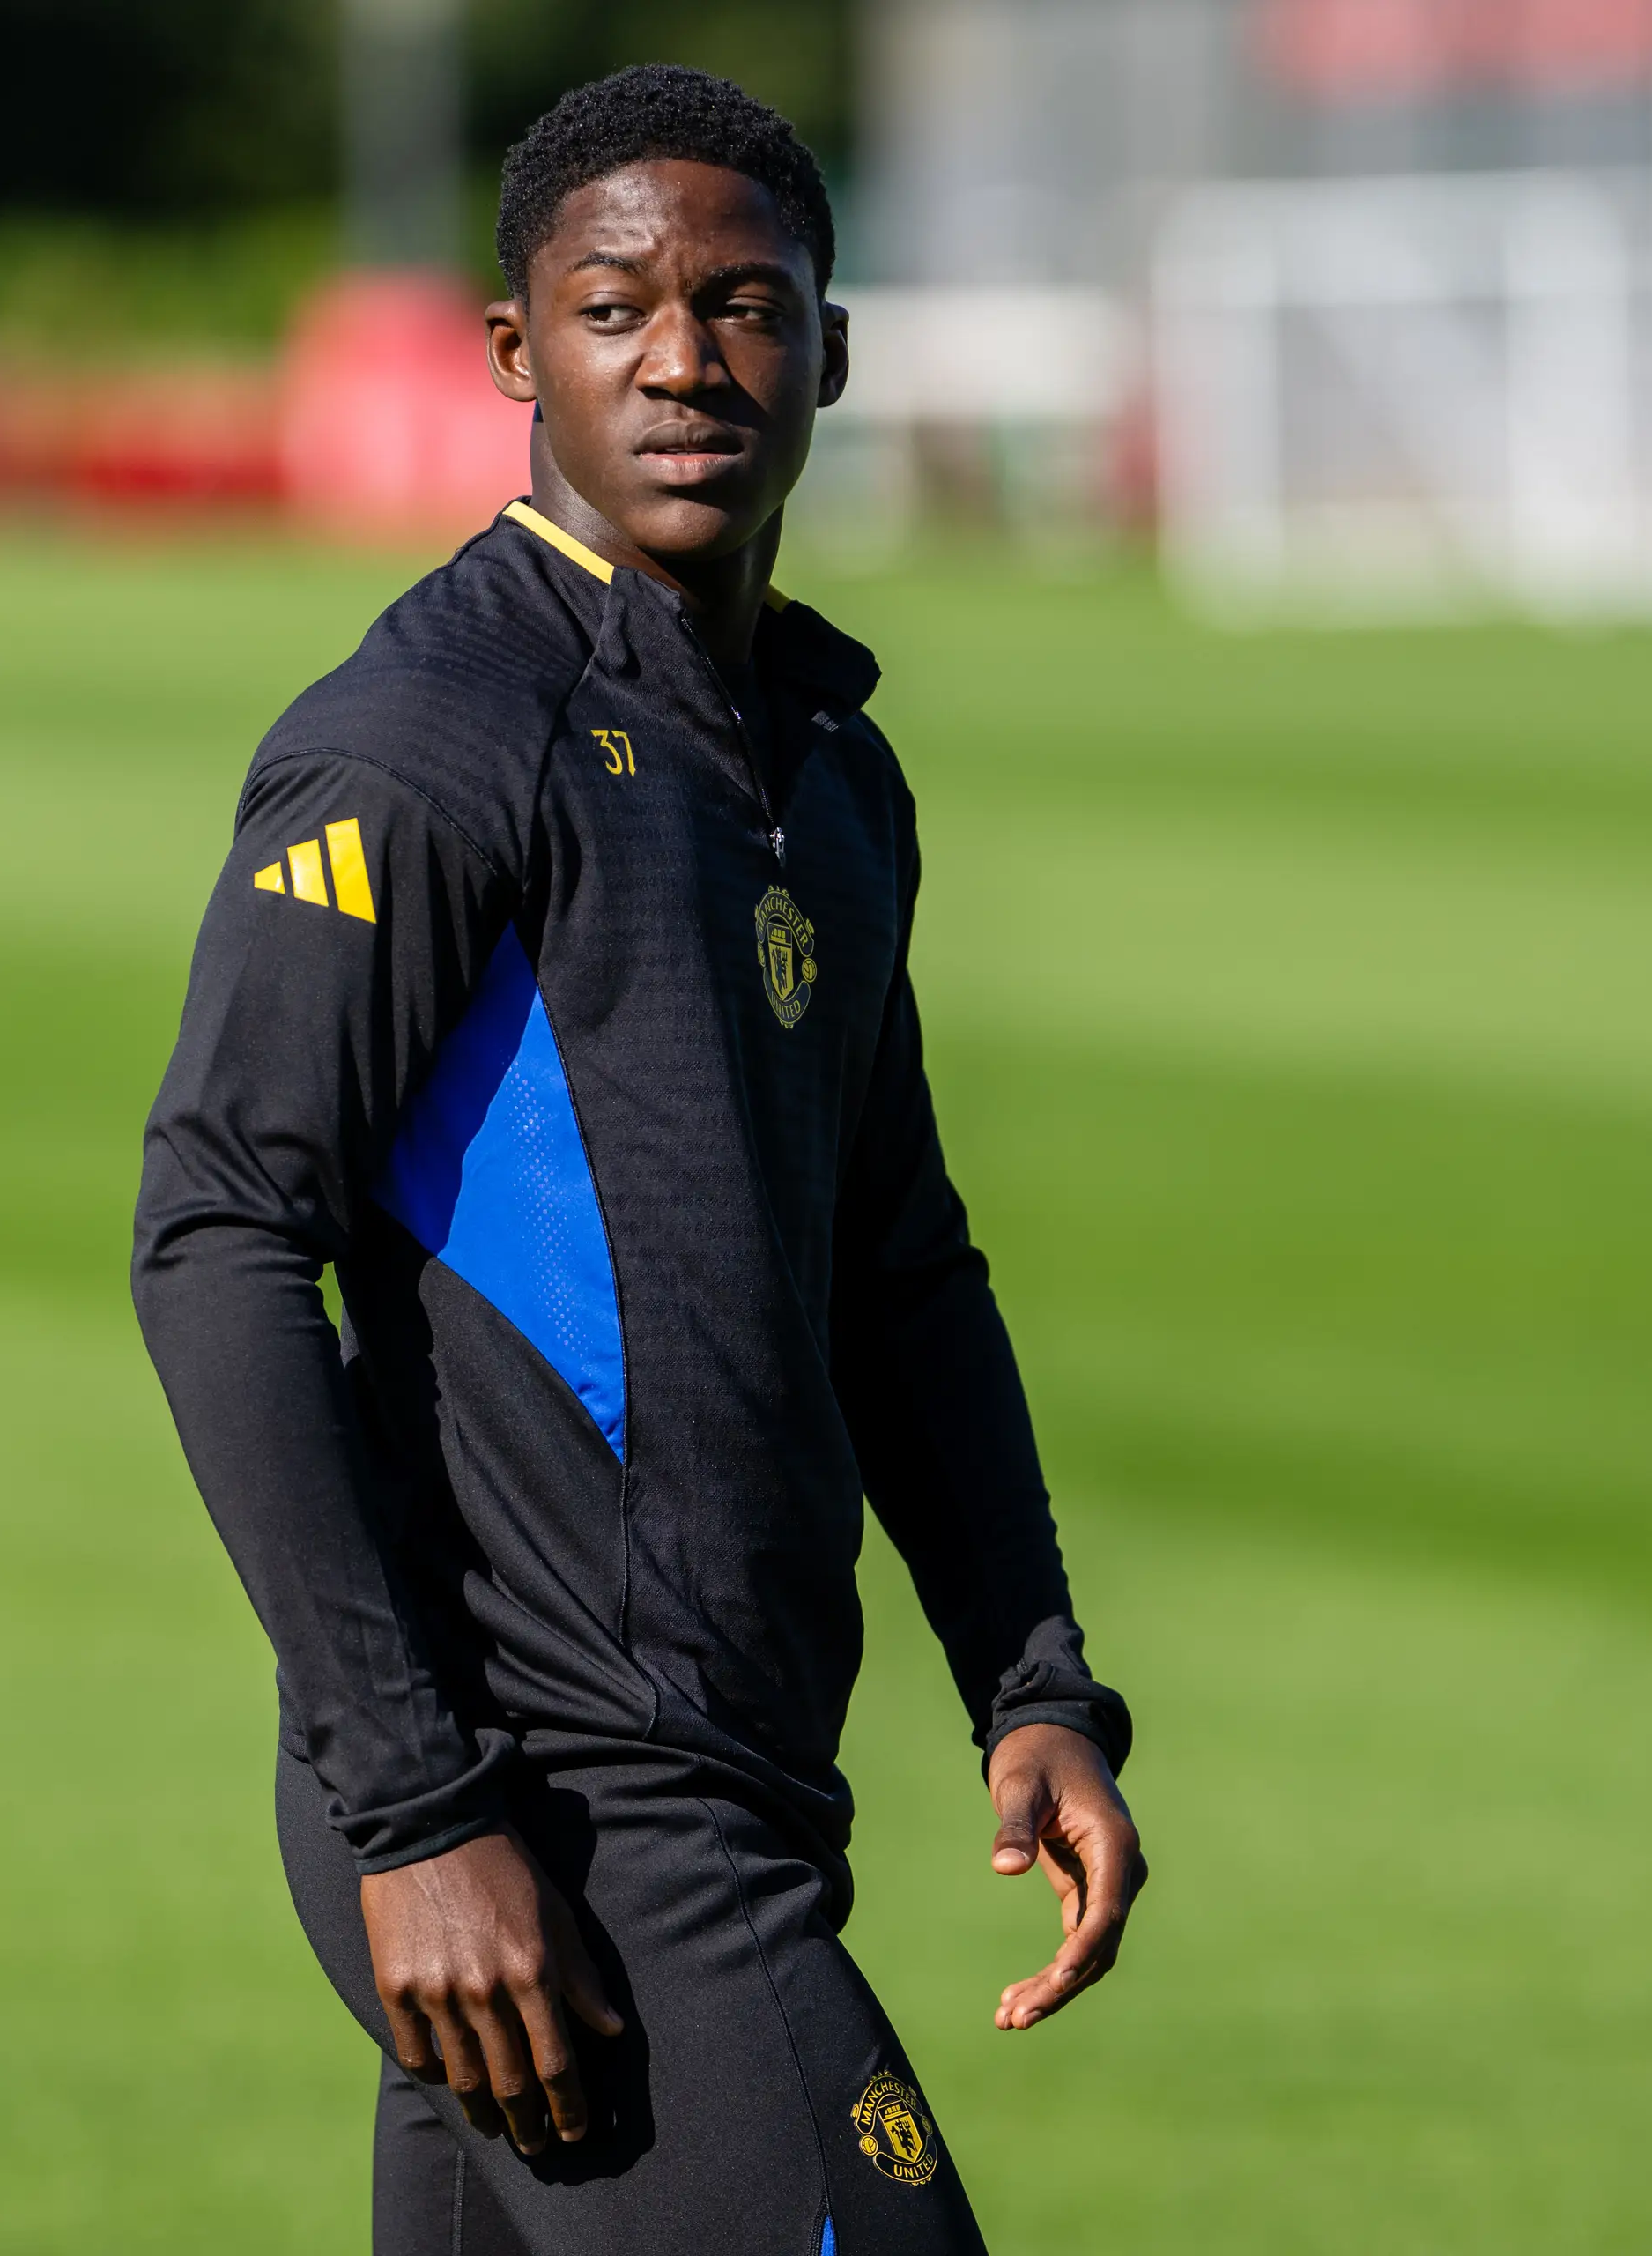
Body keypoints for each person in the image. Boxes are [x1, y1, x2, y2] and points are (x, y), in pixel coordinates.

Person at [129, 66, 1147, 2256]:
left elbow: (902, 1262)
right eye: (616, 307)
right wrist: (420, 1810)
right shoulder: (427, 736)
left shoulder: (828, 768)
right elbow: (218, 1235)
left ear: (832, 350)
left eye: (745, 304)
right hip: (549, 1815)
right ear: (519, 353)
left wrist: (1031, 1673)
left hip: (723, 1776)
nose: (685, 357)